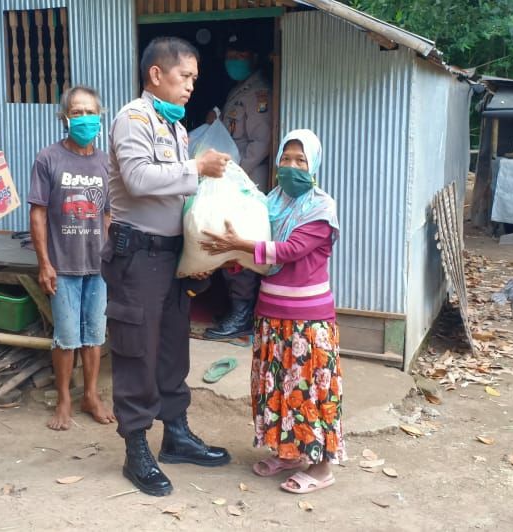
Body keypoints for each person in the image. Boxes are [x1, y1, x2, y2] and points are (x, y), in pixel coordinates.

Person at [105, 36, 234, 497]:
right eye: (185, 76)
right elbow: (139, 179)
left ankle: (176, 433)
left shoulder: (176, 128)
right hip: (137, 256)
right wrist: (197, 168)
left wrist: (197, 252)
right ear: (156, 74)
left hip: (170, 255)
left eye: (195, 78)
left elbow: (178, 199)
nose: (191, 86)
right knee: (136, 350)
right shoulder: (133, 118)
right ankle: (136, 447)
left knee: (172, 348)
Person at [200, 129, 345, 494]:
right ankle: (288, 453)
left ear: (314, 165)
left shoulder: (321, 208)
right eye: (286, 159)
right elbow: (256, 252)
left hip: (308, 319)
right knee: (278, 387)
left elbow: (290, 249)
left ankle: (322, 468)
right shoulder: (269, 203)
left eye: (301, 160)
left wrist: (240, 244)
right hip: (271, 313)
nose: (291, 166)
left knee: (311, 391)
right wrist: (229, 256)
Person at [28, 85, 117, 431]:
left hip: (97, 266)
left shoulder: (106, 162)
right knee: (66, 338)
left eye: (90, 112)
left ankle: (90, 395)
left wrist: (111, 259)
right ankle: (64, 397)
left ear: (100, 116)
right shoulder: (48, 158)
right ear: (64, 117)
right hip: (62, 266)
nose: (84, 118)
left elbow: (107, 215)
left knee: (94, 335)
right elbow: (38, 213)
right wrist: (44, 263)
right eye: (76, 112)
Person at [203, 34, 272, 341]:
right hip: (233, 181)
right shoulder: (240, 89)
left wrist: (235, 174)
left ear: (254, 57)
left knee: (239, 246)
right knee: (227, 243)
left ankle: (242, 314)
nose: (234, 60)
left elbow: (260, 143)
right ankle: (236, 308)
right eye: (231, 54)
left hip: (247, 181)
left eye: (241, 54)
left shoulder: (258, 93)